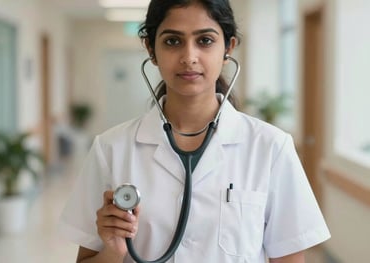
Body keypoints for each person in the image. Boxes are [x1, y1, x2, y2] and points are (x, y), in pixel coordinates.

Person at [59, 0, 331, 262]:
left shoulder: (271, 147)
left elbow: (289, 258)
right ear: (151, 50)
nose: (189, 57)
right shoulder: (111, 148)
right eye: (172, 41)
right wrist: (113, 251)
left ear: (229, 47)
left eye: (205, 40)